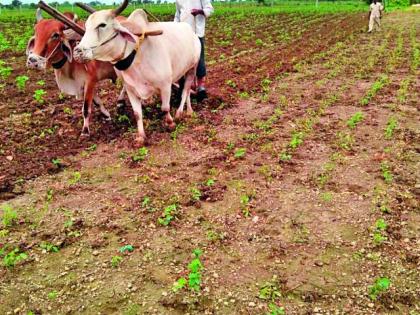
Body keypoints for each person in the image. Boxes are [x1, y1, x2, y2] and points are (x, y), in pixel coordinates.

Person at [174, 0, 214, 101]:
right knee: (182, 61)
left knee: (199, 59)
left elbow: (210, 9)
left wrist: (200, 11)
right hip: (183, 34)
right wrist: (174, 27)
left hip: (197, 32)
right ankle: (183, 87)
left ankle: (201, 87)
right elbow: (178, 15)